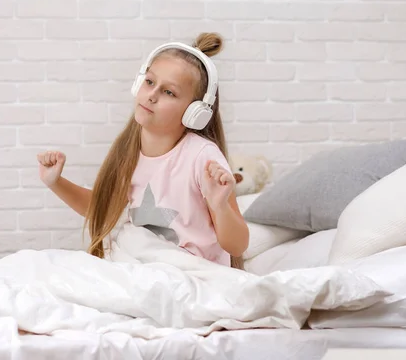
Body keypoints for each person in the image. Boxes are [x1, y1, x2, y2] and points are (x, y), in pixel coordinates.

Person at [36, 32, 249, 269]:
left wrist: (220, 207)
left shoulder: (202, 157)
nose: (152, 95)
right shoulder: (128, 149)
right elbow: (103, 211)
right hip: (143, 265)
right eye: (149, 82)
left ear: (195, 113)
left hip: (188, 274)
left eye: (169, 92)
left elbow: (237, 246)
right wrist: (56, 182)